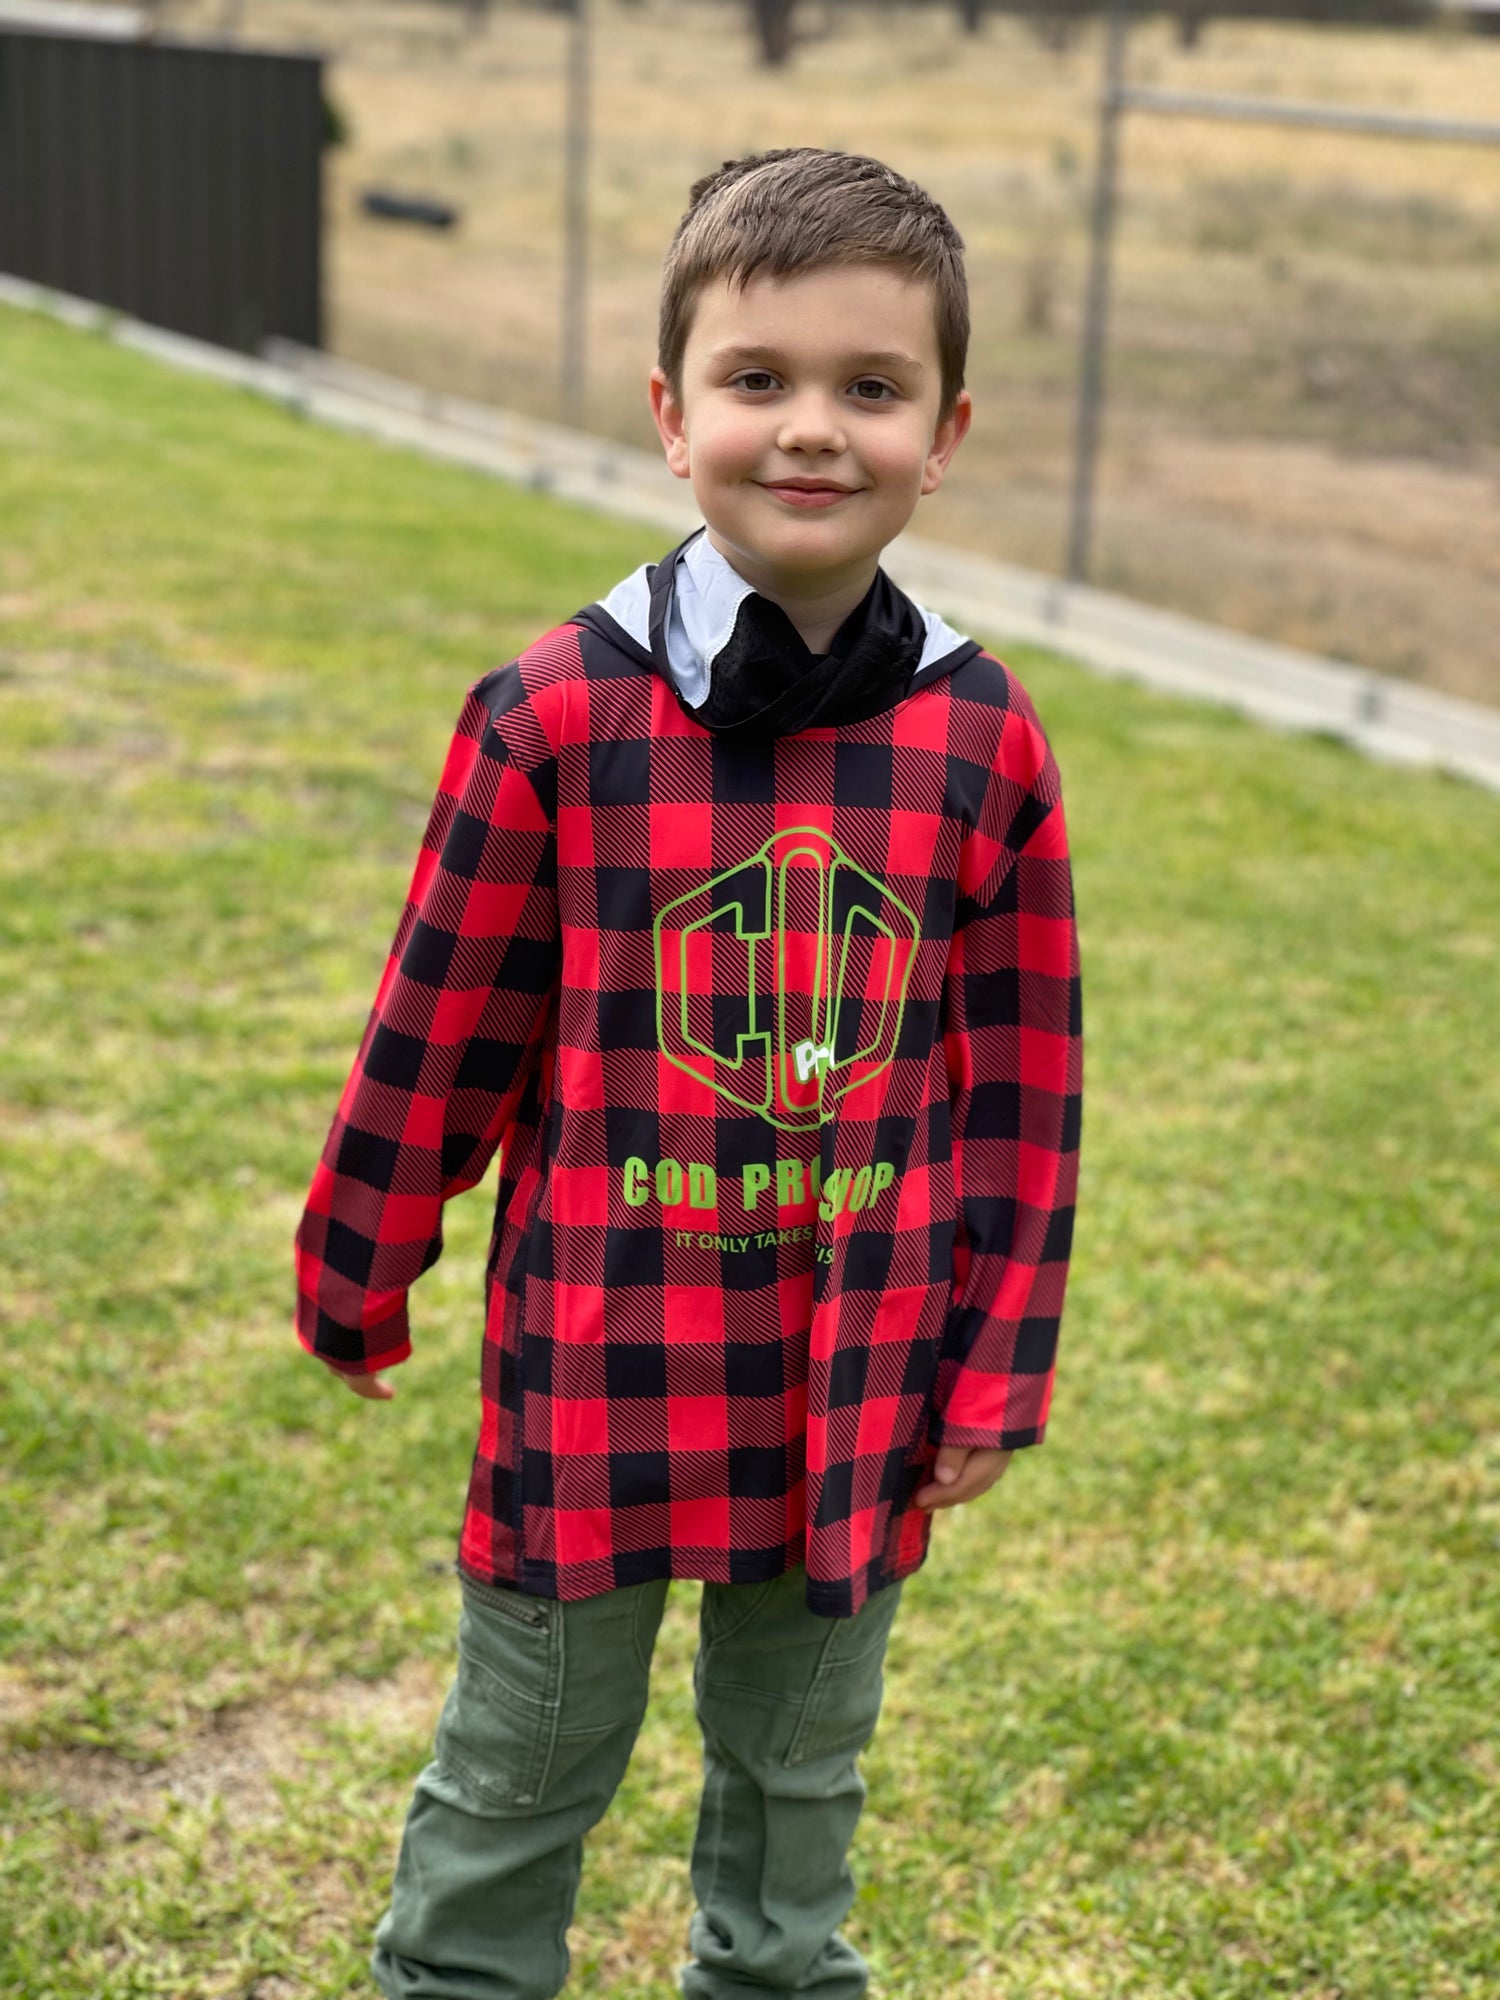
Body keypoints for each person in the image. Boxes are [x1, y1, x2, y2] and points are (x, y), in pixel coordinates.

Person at [293, 145, 1083, 2000]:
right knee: (517, 1781)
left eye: (871, 387)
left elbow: (1023, 1095)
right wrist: (358, 1268)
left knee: (799, 1795)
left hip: (856, 1387)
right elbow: (440, 1033)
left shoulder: (983, 739)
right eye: (757, 379)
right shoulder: (557, 716)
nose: (811, 429)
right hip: (598, 1374)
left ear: (944, 434)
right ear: (670, 415)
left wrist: (998, 1363)